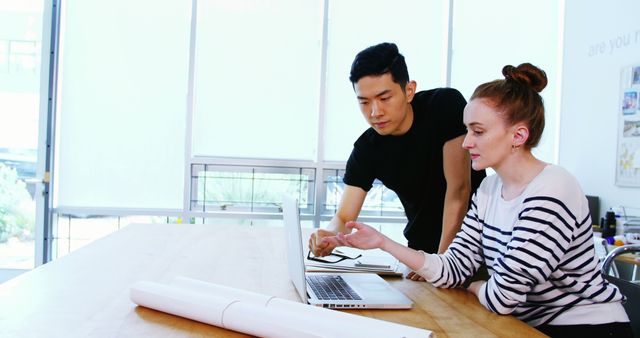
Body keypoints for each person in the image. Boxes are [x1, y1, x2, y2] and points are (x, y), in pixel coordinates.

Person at [320, 63, 633, 336]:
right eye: (467, 130)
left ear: (519, 136)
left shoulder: (552, 188)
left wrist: (475, 286)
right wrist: (383, 243)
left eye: (478, 131)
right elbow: (453, 268)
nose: (467, 142)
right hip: (525, 326)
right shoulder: (488, 190)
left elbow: (502, 297)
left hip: (585, 329)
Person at [309, 43, 486, 280]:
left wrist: (439, 264)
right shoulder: (367, 149)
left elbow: (459, 190)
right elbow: (344, 217)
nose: (375, 112)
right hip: (418, 255)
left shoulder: (444, 105)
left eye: (384, 98)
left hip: (469, 254)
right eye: (364, 102)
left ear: (409, 90)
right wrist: (327, 235)